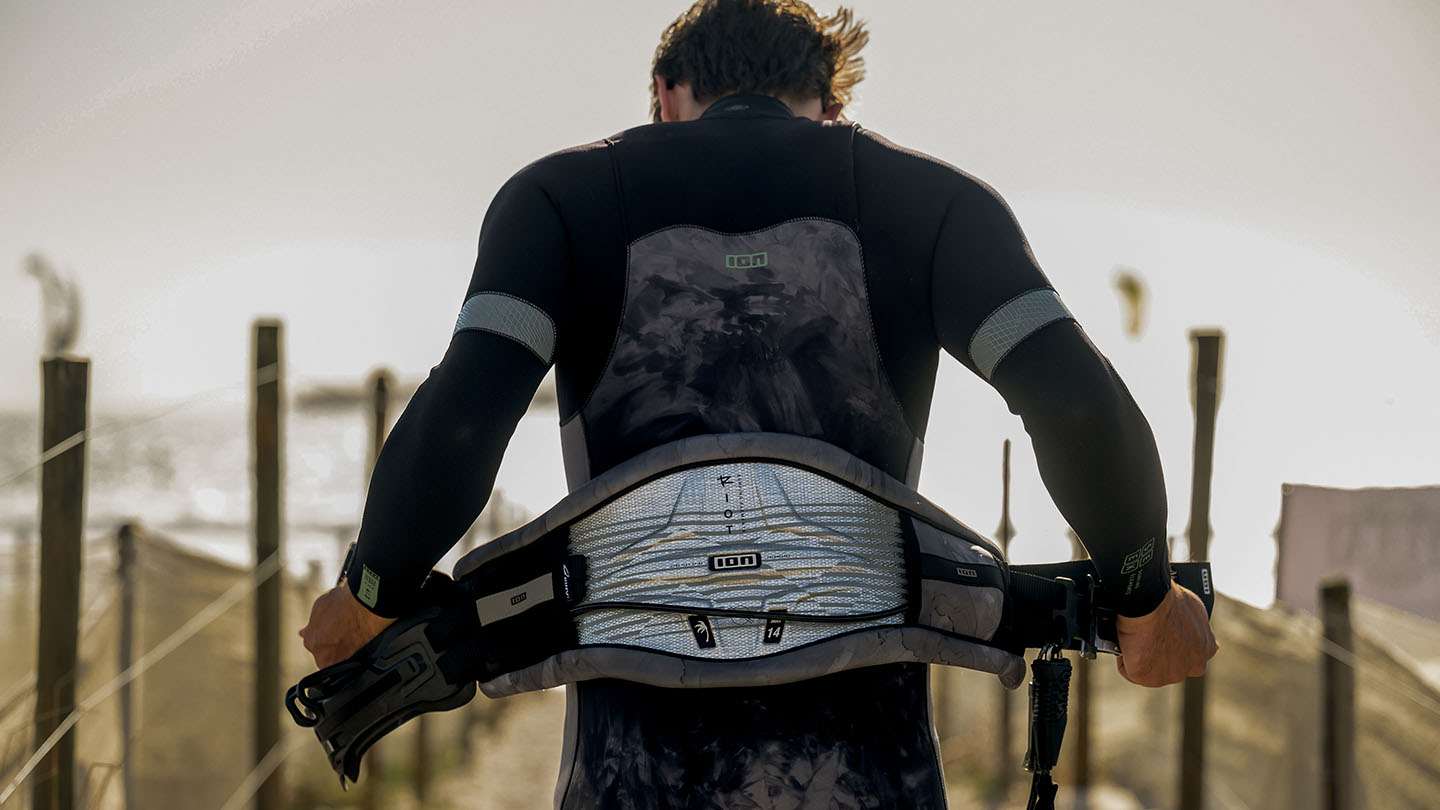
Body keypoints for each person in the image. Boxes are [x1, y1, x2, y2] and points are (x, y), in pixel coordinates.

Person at [300, 1, 1219, 806]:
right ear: (831, 105)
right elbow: (1082, 410)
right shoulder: (934, 205)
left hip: (631, 781)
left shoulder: (560, 202)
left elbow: (463, 418)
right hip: (869, 779)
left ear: (663, 91)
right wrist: (1143, 599)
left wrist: (372, 592)